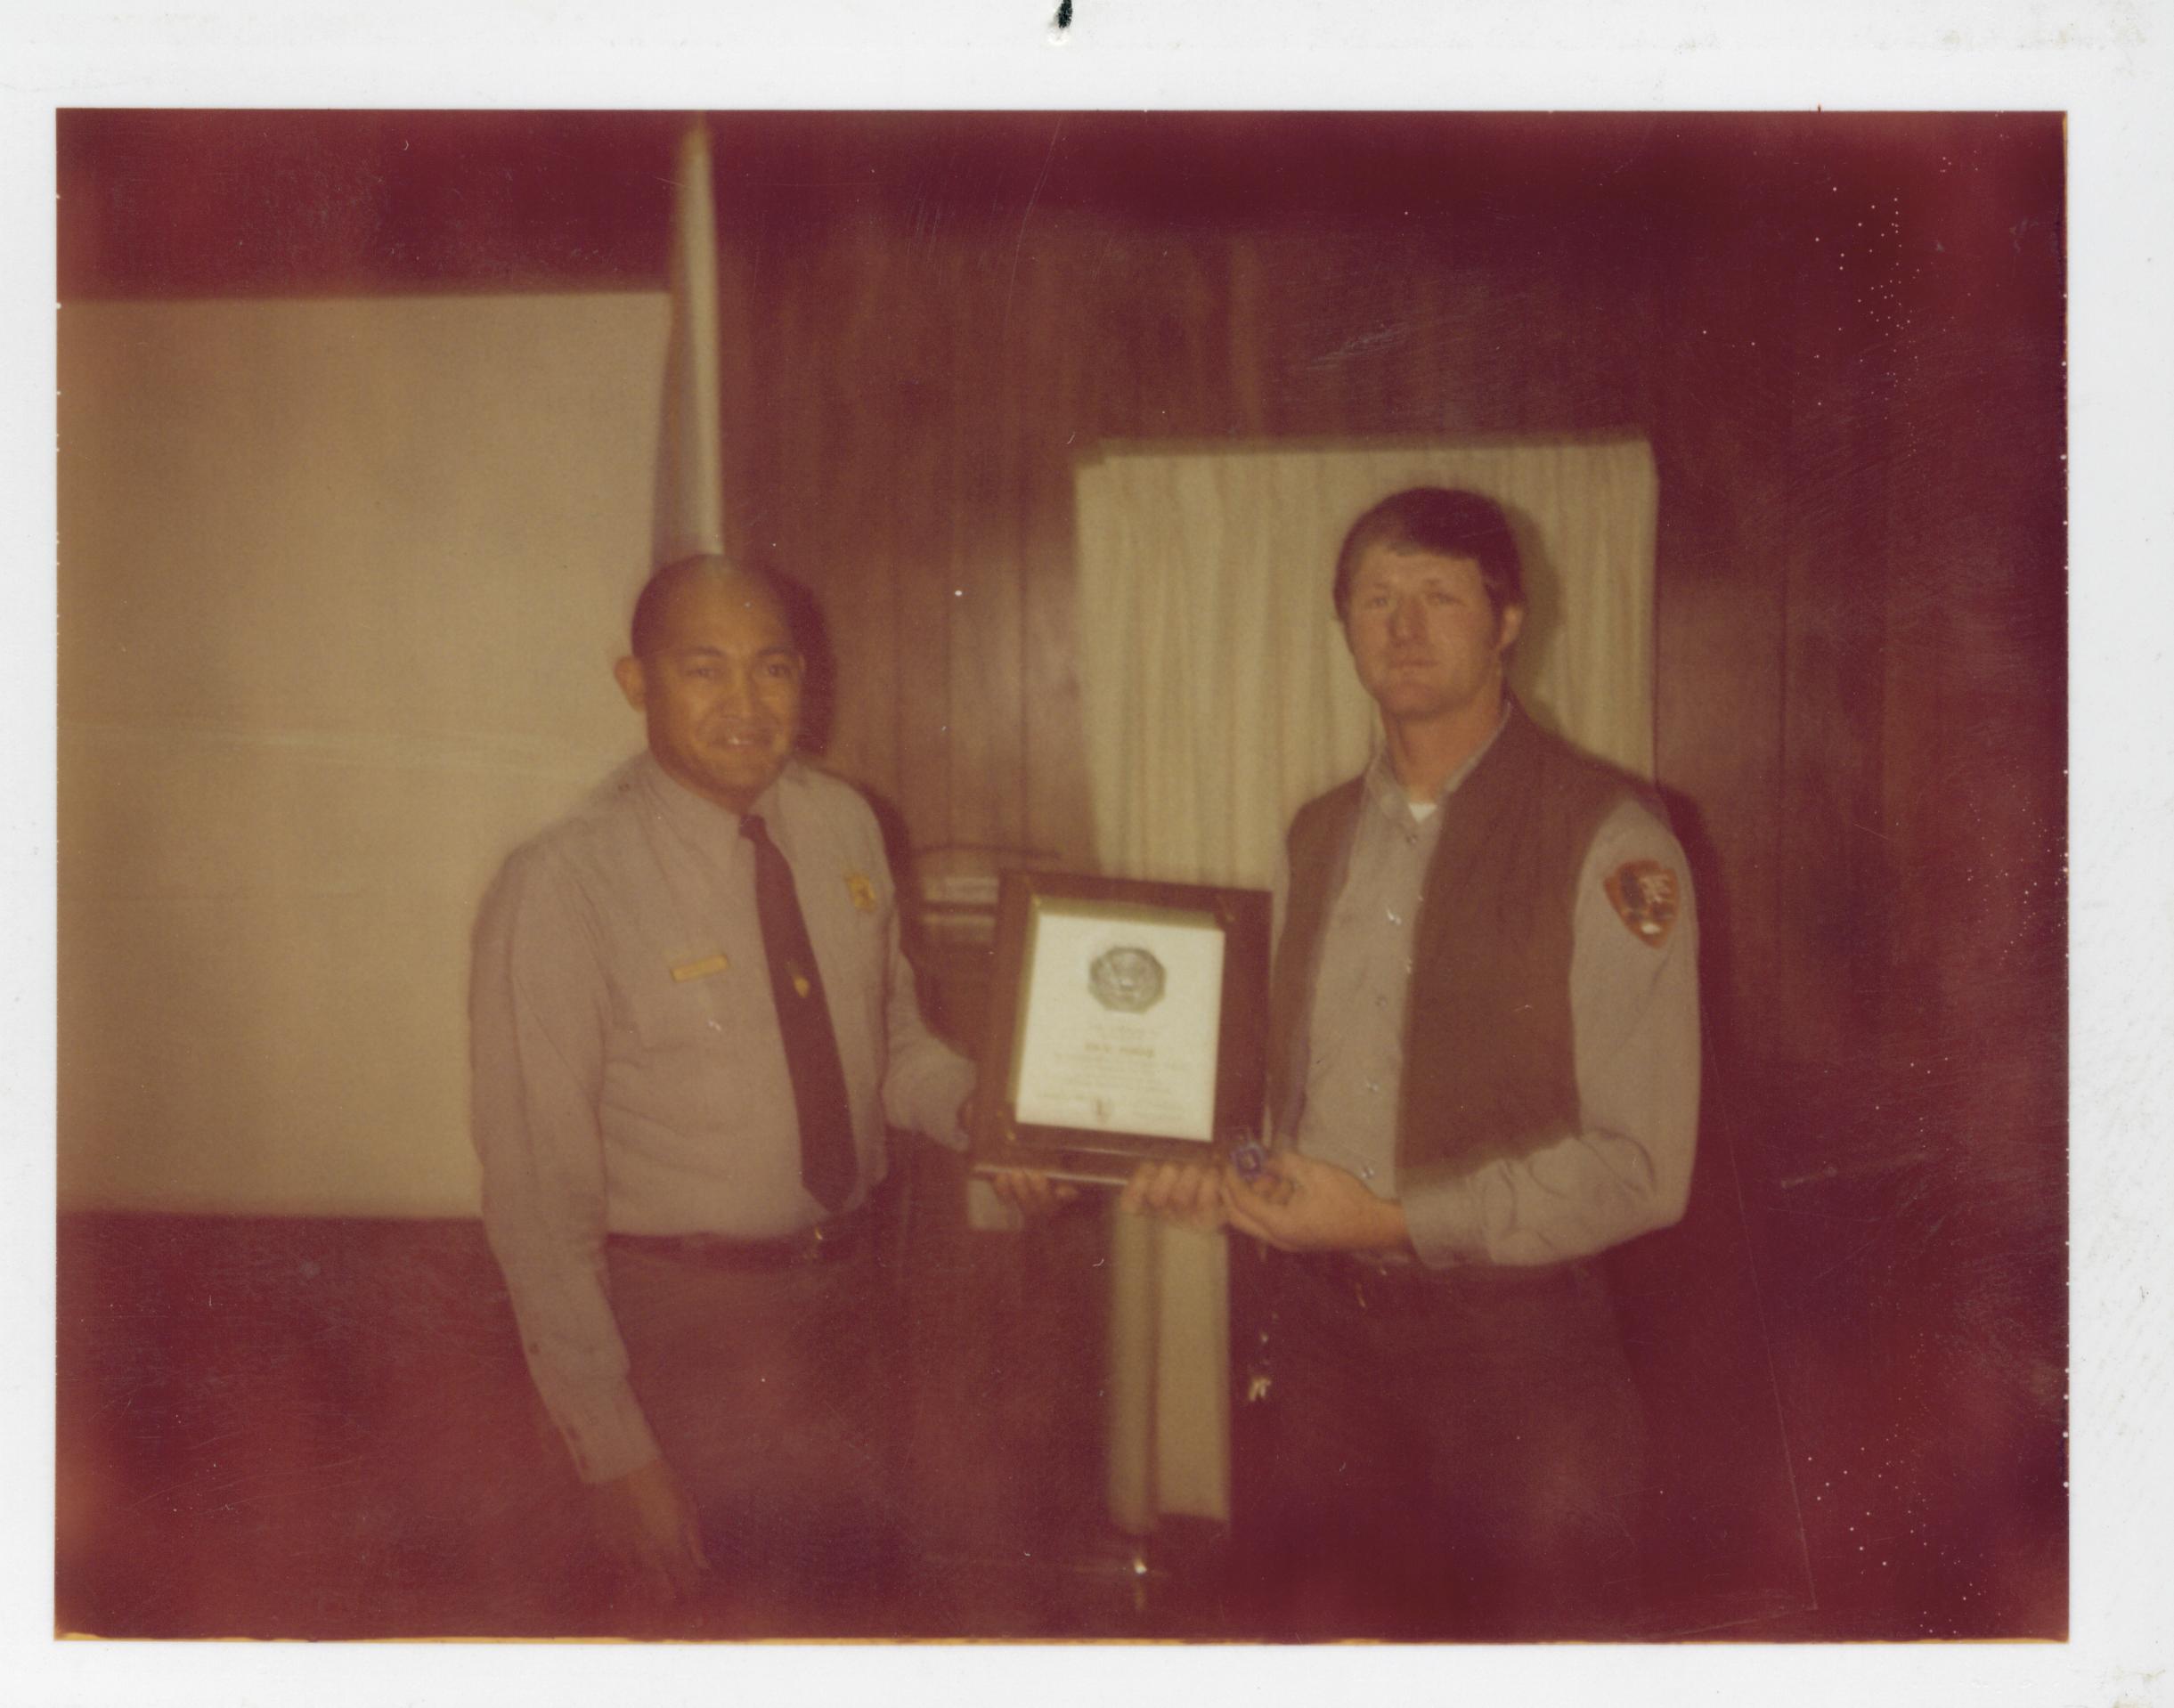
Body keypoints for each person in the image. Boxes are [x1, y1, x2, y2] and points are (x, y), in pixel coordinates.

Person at [1122, 487, 1700, 1638]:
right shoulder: (1316, 832)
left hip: (1522, 1364)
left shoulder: (1610, 838)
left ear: (1508, 619)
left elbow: (1641, 1167)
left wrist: (1388, 1221)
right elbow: (1278, 1108)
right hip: (1328, 1355)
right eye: (1375, 599)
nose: (1403, 625)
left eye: (1440, 594)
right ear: (1343, 627)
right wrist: (1225, 1175)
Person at [469, 555, 982, 1625]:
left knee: (848, 1620)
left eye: (773, 670)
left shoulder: (847, 827)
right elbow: (535, 1201)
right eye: (704, 671)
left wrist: (990, 1114)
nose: (746, 706)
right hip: (679, 1337)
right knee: (708, 1635)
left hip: (849, 1307)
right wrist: (613, 1451)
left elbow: (890, 1049)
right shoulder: (563, 884)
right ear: (634, 682)